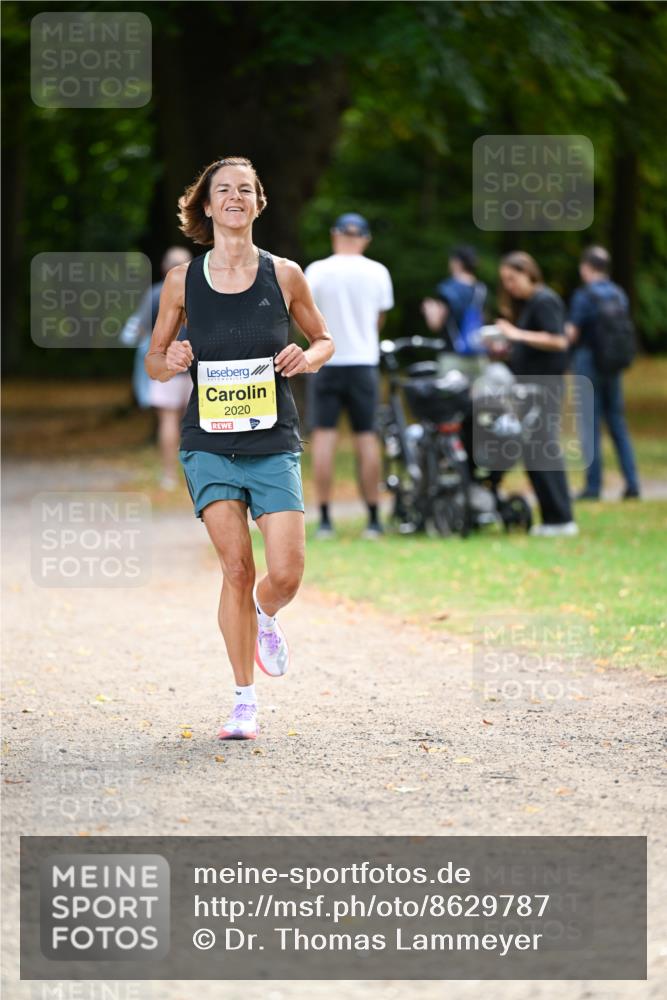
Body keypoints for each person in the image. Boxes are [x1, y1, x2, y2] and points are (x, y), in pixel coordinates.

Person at [145, 156, 334, 740]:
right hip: (209, 442)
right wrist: (170, 359)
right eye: (222, 190)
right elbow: (154, 362)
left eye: (245, 190)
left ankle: (267, 612)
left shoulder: (285, 275)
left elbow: (324, 338)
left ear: (258, 203)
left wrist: (308, 357)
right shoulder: (182, 281)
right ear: (206, 205)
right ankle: (243, 701)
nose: (234, 197)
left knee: (286, 573)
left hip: (272, 440)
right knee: (235, 566)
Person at [304, 213, 394, 540]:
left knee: (324, 438)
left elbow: (303, 312)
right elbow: (378, 320)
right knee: (366, 438)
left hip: (325, 361)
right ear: (365, 239)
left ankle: (325, 519)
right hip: (363, 363)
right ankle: (372, 518)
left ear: (334, 235)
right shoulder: (378, 272)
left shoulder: (317, 270)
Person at [493, 251, 578, 537]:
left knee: (543, 450)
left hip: (546, 385)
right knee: (533, 452)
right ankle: (553, 519)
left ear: (529, 273)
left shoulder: (545, 300)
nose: (509, 285)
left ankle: (561, 518)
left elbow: (558, 340)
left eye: (513, 278)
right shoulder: (528, 304)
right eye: (505, 280)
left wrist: (517, 335)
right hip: (528, 385)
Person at [565, 246, 640, 500]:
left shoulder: (584, 296)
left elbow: (572, 333)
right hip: (613, 364)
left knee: (589, 424)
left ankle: (593, 486)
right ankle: (632, 483)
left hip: (588, 361)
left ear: (586, 267)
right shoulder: (619, 294)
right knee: (618, 423)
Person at [141, 247, 194, 489]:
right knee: (195, 422)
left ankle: (169, 475)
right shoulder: (201, 292)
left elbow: (141, 330)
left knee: (168, 421)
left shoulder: (154, 294)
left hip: (166, 366)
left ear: (164, 268)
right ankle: (194, 473)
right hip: (195, 365)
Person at [421, 245, 487, 359]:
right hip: (477, 354)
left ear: (457, 262)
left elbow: (435, 324)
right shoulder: (481, 289)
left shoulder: (447, 288)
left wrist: (429, 310)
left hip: (452, 355)